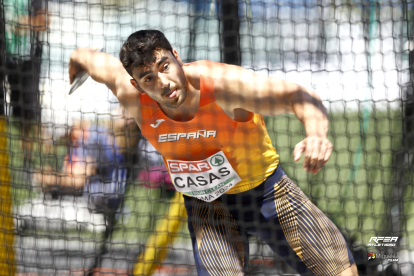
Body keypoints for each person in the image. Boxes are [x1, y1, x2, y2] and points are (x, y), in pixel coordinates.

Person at [68, 30, 359, 276]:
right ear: (136, 85)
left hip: (268, 194)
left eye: (165, 66)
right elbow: (94, 60)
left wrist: (317, 135)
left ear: (177, 57)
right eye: (148, 79)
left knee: (340, 271)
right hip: (208, 207)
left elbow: (300, 96)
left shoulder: (224, 86)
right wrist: (77, 57)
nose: (163, 83)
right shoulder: (131, 95)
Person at [0, 0, 48, 122]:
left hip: (28, 61)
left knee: (28, 111)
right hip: (7, 57)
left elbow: (44, 22)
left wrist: (24, 23)